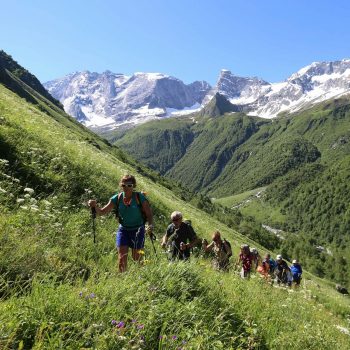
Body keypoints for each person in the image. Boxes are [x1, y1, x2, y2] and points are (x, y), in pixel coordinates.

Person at [88, 174, 153, 272]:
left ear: (133, 186)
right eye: (124, 185)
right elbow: (101, 212)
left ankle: (143, 274)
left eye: (129, 185)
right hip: (123, 230)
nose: (126, 188)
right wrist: (94, 206)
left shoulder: (139, 198)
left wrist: (150, 225)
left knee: (137, 258)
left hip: (138, 230)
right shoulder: (116, 198)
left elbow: (149, 214)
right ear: (121, 186)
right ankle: (123, 278)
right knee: (122, 257)